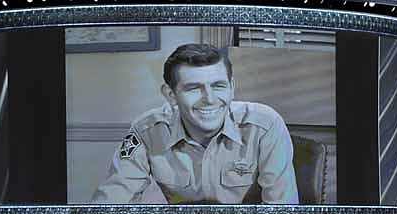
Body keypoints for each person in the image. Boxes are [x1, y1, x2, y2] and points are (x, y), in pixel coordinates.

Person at [92, 43, 299, 204]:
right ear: (171, 95)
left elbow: (282, 211)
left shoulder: (265, 125)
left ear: (232, 87)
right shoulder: (147, 131)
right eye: (193, 88)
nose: (209, 99)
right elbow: (112, 204)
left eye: (218, 86)